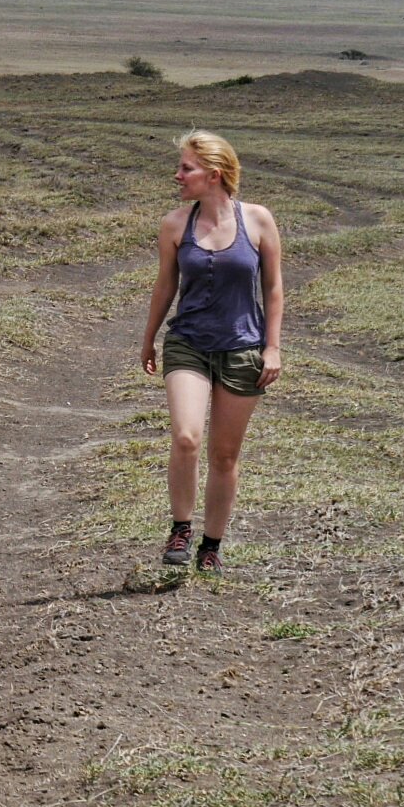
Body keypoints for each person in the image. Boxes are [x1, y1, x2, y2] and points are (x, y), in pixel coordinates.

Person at [140, 129, 283, 572]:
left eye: (187, 168)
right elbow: (166, 285)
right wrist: (149, 337)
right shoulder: (174, 224)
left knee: (224, 456)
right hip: (189, 343)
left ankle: (211, 547)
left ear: (214, 174)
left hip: (242, 349)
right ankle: (180, 529)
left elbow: (273, 288)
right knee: (186, 437)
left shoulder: (258, 220)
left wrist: (272, 347)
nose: (178, 175)